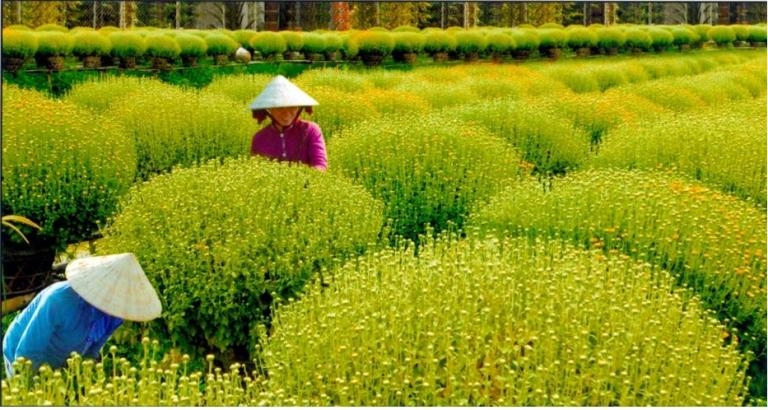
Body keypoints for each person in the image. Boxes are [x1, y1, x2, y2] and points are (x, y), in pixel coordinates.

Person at [2, 253, 162, 376]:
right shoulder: (58, 300)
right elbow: (27, 352)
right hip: (20, 352)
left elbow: (93, 349)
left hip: (60, 359)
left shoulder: (116, 313)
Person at [249, 75, 328, 171]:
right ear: (269, 109)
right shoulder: (259, 139)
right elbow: (257, 172)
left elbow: (320, 165)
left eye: (292, 107)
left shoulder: (310, 130)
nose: (286, 113)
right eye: (279, 108)